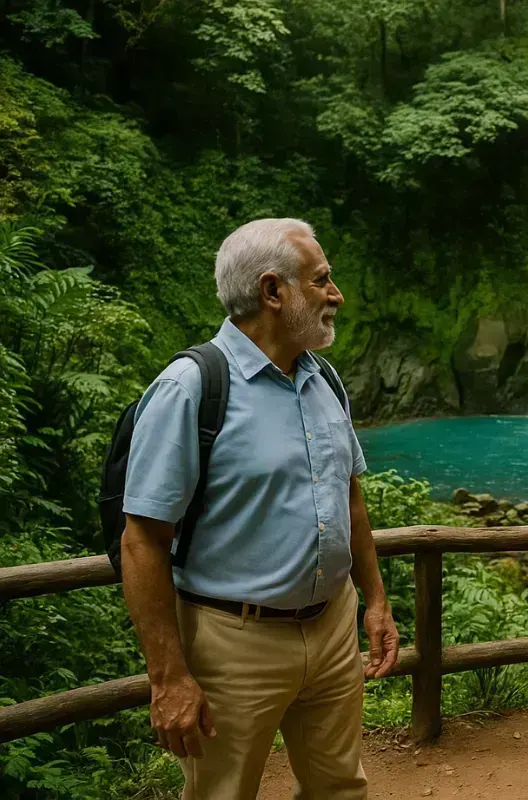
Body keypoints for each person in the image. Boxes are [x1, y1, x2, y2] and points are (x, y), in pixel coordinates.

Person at [120, 218, 400, 800]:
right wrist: (168, 677)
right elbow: (142, 539)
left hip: (330, 628)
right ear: (273, 292)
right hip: (231, 641)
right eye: (322, 280)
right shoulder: (190, 389)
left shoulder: (323, 379)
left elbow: (348, 498)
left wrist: (374, 601)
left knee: (340, 787)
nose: (336, 295)